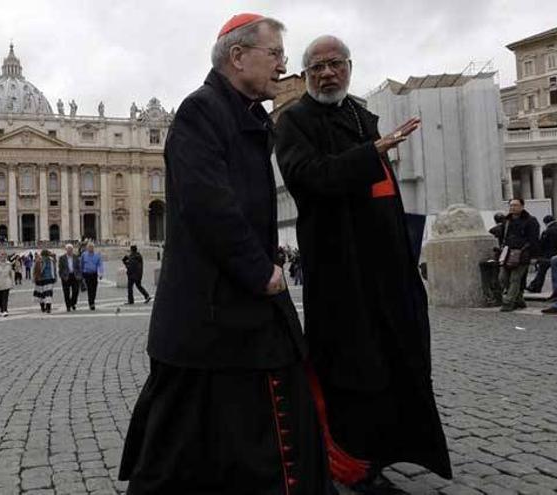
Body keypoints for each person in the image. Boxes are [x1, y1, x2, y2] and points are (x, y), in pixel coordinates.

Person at [119, 15, 335, 494]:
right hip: (213, 310)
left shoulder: (241, 113)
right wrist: (261, 273)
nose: (283, 63)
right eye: (274, 53)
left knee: (215, 434)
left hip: (228, 311)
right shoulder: (201, 112)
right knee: (180, 445)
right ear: (238, 58)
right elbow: (209, 205)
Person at [275, 34, 451, 491]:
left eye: (335, 64)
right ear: (305, 74)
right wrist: (370, 153)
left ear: (349, 67)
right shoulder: (294, 122)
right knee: (352, 365)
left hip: (387, 267)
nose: (327, 73)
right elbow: (306, 177)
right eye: (316, 67)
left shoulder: (361, 115)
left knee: (397, 356)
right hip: (340, 271)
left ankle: (391, 447)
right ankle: (351, 461)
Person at [497, 198, 540, 312]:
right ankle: (519, 299)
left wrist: (533, 256)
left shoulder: (531, 221)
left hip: (522, 253)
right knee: (502, 278)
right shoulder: (507, 221)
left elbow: (534, 239)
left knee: (515, 279)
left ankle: (508, 302)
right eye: (511, 205)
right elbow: (502, 237)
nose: (512, 207)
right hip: (507, 253)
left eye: (515, 205)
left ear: (522, 206)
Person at [526, 215, 557, 293]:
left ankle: (536, 287)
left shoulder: (548, 231)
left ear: (545, 222)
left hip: (547, 255)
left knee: (541, 272)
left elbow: (542, 244)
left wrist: (538, 255)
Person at [58, 243, 82, 312]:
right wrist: (62, 276)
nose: (69, 251)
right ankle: (68, 306)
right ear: (66, 250)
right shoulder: (62, 258)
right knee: (66, 292)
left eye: (71, 249)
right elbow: (60, 268)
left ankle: (73, 303)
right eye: (68, 249)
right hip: (66, 276)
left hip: (75, 276)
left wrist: (80, 275)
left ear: (72, 250)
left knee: (76, 291)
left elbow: (79, 267)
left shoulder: (76, 257)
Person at [80, 242, 104, 310]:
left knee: (94, 289)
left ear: (94, 248)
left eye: (92, 247)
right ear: (87, 248)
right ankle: (91, 303)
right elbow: (81, 264)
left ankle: (92, 300)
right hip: (86, 274)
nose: (91, 248)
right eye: (89, 247)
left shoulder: (97, 255)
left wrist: (101, 273)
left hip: (94, 274)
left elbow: (100, 265)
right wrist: (80, 274)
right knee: (90, 288)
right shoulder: (84, 255)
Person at [0, 251, 15, 316]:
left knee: (5, 297)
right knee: (0, 298)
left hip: (7, 282)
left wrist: (12, 282)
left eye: (4, 255)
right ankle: (1, 310)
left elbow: (11, 274)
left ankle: (5, 310)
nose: (3, 257)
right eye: (1, 255)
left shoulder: (9, 264)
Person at [32, 249, 57, 314]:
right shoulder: (50, 260)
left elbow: (34, 270)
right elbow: (54, 269)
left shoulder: (39, 260)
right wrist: (55, 277)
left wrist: (34, 278)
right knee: (48, 294)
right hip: (48, 278)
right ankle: (48, 308)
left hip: (42, 279)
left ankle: (44, 307)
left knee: (42, 294)